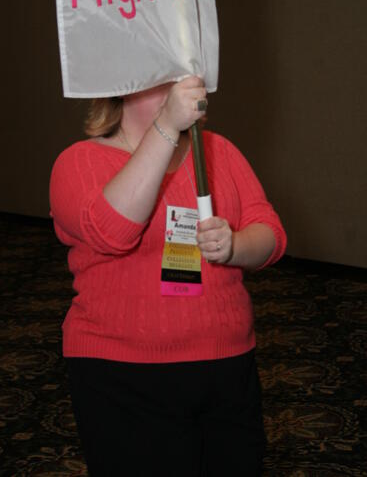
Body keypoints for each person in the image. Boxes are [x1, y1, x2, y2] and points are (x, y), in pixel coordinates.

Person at [50, 76, 287, 476]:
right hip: (124, 376)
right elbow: (112, 231)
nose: (187, 86)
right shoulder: (79, 161)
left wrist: (235, 246)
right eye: (167, 80)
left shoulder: (218, 152)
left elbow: (271, 234)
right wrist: (165, 126)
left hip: (226, 366)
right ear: (124, 85)